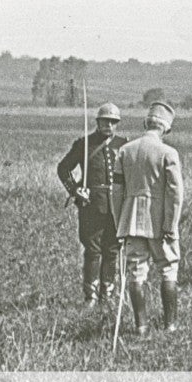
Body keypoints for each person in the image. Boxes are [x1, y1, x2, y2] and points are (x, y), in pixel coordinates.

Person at [112, 102, 184, 334]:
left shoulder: (125, 150)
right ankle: (170, 325)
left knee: (136, 272)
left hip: (130, 221)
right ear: (165, 129)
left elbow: (116, 193)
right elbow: (175, 194)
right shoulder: (168, 153)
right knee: (168, 269)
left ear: (146, 123)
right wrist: (170, 225)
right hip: (160, 223)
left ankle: (141, 326)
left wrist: (119, 223)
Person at [56, 104, 128, 304]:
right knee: (93, 249)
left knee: (112, 250)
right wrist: (75, 190)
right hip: (91, 205)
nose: (109, 125)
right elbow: (63, 169)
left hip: (115, 206)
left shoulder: (124, 145)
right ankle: (91, 296)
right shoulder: (84, 144)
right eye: (105, 121)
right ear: (97, 122)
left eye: (113, 122)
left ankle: (109, 295)